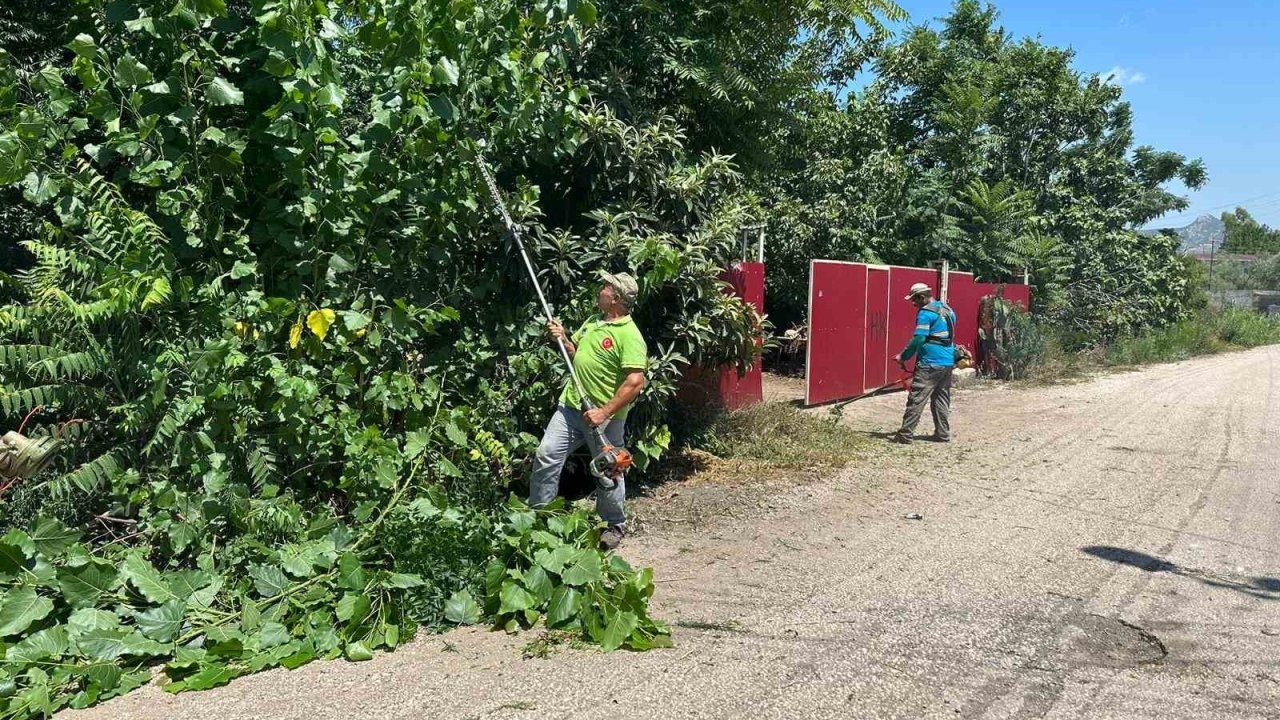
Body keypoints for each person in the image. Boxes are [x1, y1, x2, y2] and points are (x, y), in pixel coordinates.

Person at [529, 271, 648, 550]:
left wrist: (604, 412)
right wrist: (563, 338)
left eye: (606, 287)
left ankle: (613, 525)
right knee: (546, 455)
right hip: (571, 407)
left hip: (603, 419)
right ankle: (539, 515)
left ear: (616, 298)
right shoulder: (594, 322)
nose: (601, 289)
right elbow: (575, 353)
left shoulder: (630, 336)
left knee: (609, 470)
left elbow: (635, 383)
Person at [892, 282, 956, 444]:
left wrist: (903, 356)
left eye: (914, 300)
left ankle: (905, 434)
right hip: (947, 361)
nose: (913, 303)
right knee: (942, 398)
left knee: (917, 398)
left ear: (922, 297)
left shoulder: (925, 314)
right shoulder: (948, 310)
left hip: (930, 363)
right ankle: (943, 433)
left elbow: (919, 338)